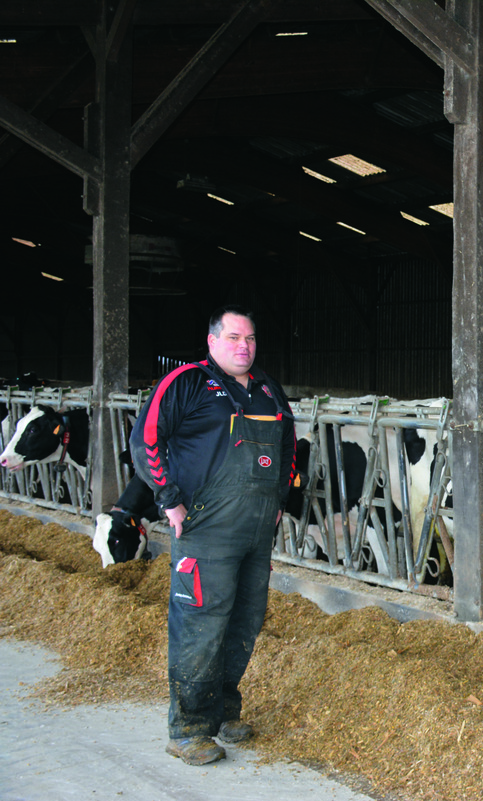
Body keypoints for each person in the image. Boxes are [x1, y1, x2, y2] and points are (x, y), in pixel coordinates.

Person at [129, 304, 295, 766]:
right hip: (206, 529)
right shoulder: (186, 382)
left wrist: (279, 500)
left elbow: (287, 448)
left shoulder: (268, 389)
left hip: (255, 532)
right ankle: (188, 729)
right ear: (212, 341)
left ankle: (223, 711)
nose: (244, 346)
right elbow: (145, 439)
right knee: (200, 624)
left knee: (244, 622)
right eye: (234, 338)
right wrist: (168, 498)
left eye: (250, 338)